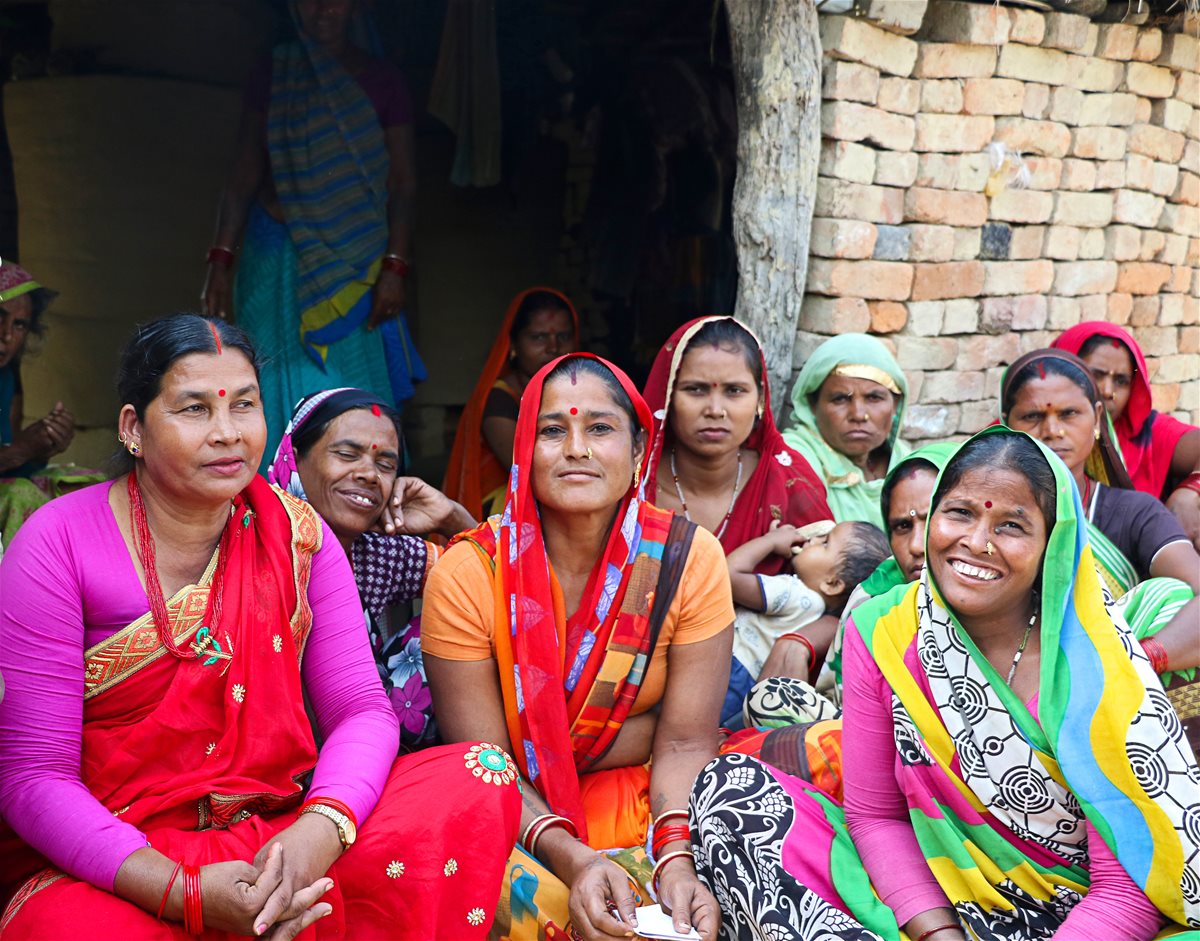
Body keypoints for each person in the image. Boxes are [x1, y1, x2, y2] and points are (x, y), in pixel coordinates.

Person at [0, 314, 519, 939]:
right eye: (195, 409)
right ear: (133, 427)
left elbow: (361, 710)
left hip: (281, 837)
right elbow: (36, 776)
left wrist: (316, 836)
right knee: (64, 928)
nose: (227, 434)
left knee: (476, 774)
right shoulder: (57, 543)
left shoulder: (300, 536)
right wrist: (179, 892)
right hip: (126, 857)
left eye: (244, 406)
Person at [690, 428, 1200, 941]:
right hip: (936, 903)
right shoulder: (888, 629)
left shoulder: (1094, 659)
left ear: (1053, 544)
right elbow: (877, 818)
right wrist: (937, 932)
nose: (976, 543)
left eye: (1012, 525)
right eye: (959, 513)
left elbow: (1127, 891)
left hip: (1080, 918)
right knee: (732, 790)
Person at [422, 352, 734, 941]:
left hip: (649, 793)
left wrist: (676, 859)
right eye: (551, 431)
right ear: (522, 452)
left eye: (599, 428)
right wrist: (578, 859)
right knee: (489, 888)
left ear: (640, 451)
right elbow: (489, 767)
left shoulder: (688, 561)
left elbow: (688, 740)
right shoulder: (468, 574)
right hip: (517, 811)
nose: (576, 449)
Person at [202, 0, 423, 464]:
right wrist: (220, 263)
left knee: (347, 388)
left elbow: (403, 183)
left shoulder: (384, 82)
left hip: (353, 262)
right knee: (268, 378)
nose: (323, 11)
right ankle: (269, 513)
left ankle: (355, 518)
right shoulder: (276, 74)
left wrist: (395, 267)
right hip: (273, 250)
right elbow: (243, 170)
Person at [268, 387, 476, 749]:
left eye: (385, 465)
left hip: (367, 747)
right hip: (272, 758)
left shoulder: (377, 553)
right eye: (347, 454)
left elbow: (500, 582)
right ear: (294, 456)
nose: (368, 475)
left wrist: (450, 517)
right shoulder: (253, 545)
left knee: (458, 624)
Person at [1001, 349, 1199, 603]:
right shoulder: (986, 512)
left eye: (1069, 413)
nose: (1052, 431)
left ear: (1096, 418)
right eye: (1032, 416)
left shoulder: (1135, 513)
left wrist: (1142, 645)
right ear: (1007, 425)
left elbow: (1195, 588)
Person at [643, 316, 831, 565]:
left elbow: (833, 585)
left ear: (761, 399)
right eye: (695, 389)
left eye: (734, 391)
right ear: (668, 396)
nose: (715, 410)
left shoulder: (787, 481)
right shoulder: (633, 484)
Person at [722, 520, 888, 726]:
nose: (813, 540)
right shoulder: (818, 611)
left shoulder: (795, 594)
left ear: (832, 584)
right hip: (740, 683)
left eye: (825, 542)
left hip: (730, 671)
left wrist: (770, 542)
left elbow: (728, 575)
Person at [1052, 321, 1200, 548]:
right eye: (1096, 375)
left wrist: (1189, 493)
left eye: (1121, 381)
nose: (1108, 391)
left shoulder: (1146, 433)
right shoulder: (1021, 433)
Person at [443, 287, 579, 519]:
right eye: (538, 338)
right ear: (514, 345)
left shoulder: (582, 390)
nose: (553, 348)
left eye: (563, 337)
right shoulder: (500, 400)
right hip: (506, 511)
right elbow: (530, 472)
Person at [0, 261, 94, 545]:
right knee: (20, 493)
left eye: (19, 325)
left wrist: (43, 447)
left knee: (85, 485)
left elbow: (9, 460)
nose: (6, 335)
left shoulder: (8, 380)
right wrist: (21, 448)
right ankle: (20, 588)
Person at [781, 332, 911, 528]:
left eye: (874, 398)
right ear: (813, 404)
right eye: (840, 399)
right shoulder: (794, 457)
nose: (858, 414)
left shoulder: (907, 462)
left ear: (896, 404)